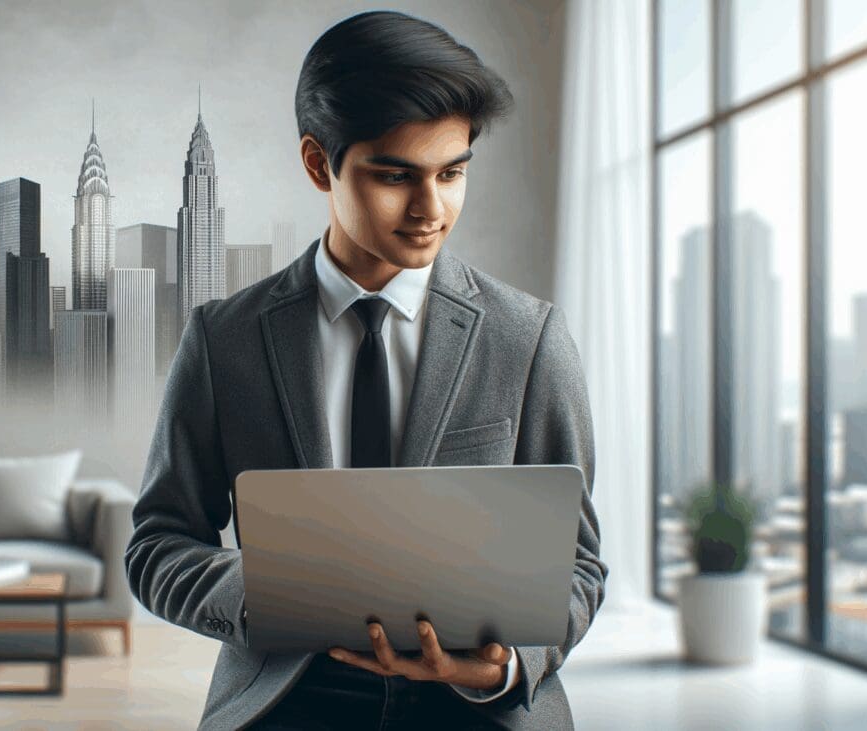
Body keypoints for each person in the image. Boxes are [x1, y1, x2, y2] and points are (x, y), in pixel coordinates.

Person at [124, 9, 607, 730]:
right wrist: (273, 594)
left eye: (451, 174)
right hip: (285, 701)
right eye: (395, 176)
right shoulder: (224, 340)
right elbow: (157, 544)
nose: (431, 208)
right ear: (320, 163)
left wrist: (506, 663)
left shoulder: (529, 338)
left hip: (477, 710)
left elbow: (579, 564)